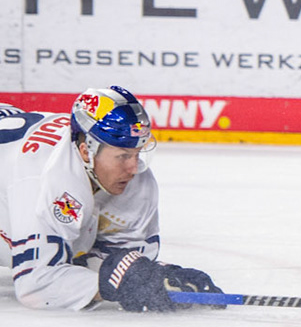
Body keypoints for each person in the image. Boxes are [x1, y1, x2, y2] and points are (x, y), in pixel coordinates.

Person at [0, 90, 222, 313]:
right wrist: (109, 284)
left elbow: (123, 265)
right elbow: (36, 284)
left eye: (137, 153)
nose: (133, 169)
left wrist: (162, 274)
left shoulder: (136, 181)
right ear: (86, 152)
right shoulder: (44, 180)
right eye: (123, 156)